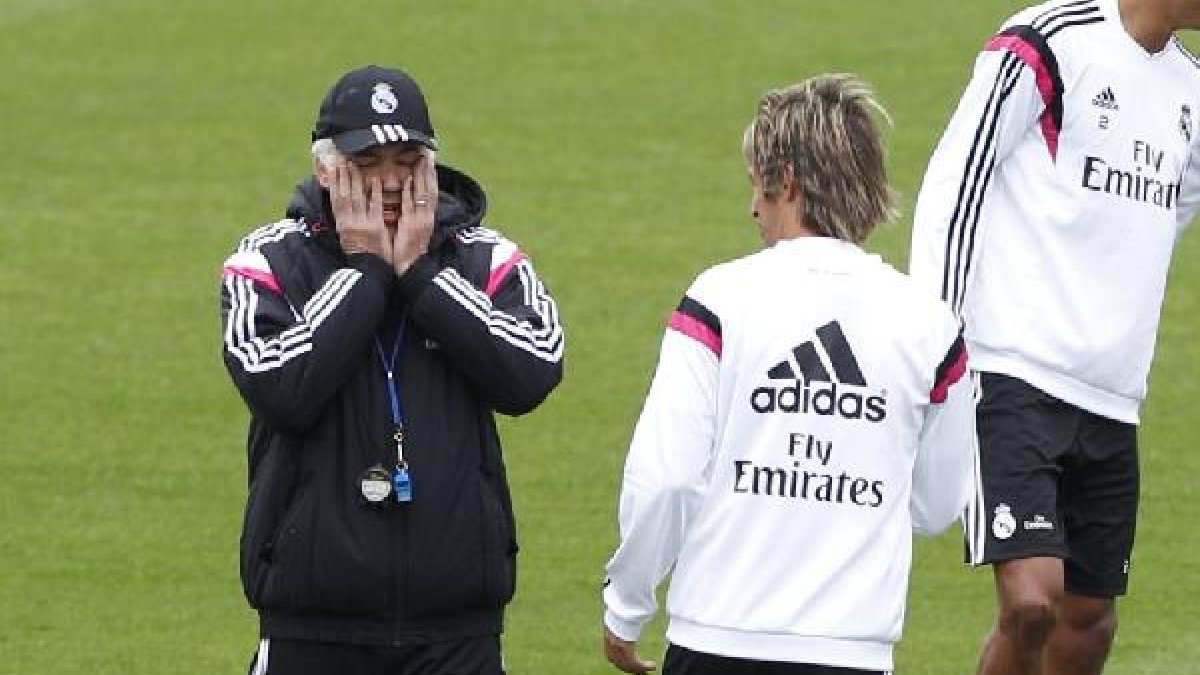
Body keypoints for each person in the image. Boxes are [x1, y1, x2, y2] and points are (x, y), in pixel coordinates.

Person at [601, 74, 976, 675]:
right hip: (852, 652)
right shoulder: (931, 327)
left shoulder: (719, 299)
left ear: (789, 183)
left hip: (716, 641)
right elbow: (936, 506)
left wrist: (626, 607)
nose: (753, 206)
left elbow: (667, 479)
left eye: (758, 185)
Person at [219, 65, 564, 675]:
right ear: (325, 168)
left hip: (456, 629)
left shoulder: (486, 259)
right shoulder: (266, 261)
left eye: (407, 161)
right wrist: (365, 272)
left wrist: (423, 276)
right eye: (366, 162)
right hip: (311, 626)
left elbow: (531, 371)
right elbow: (280, 390)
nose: (389, 181)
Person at [908, 0, 1200, 672]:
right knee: (1032, 600)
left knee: (1089, 622)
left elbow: (1170, 210)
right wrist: (937, 342)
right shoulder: (1047, 43)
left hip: (1111, 397)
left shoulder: (1190, 90)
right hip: (1012, 372)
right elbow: (957, 182)